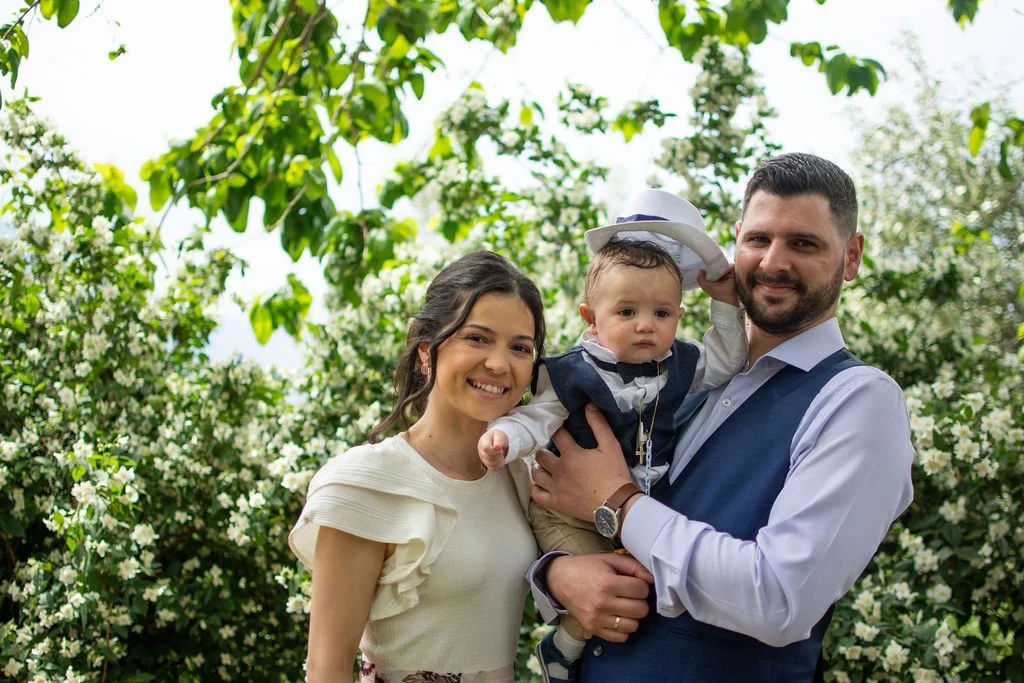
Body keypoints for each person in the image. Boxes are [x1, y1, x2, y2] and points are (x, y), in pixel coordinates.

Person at [529, 153, 916, 682]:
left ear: (851, 257)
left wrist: (618, 503)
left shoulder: (858, 401)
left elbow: (778, 598)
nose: (773, 262)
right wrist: (560, 575)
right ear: (736, 241)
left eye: (803, 243)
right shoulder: (680, 369)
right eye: (758, 240)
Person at [476, 190, 747, 683]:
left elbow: (727, 360)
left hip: (632, 508)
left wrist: (725, 305)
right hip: (562, 509)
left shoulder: (677, 365)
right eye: (627, 313)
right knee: (610, 583)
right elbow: (537, 419)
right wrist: (504, 437)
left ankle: (572, 648)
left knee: (639, 587)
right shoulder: (573, 372)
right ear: (591, 320)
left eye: (662, 314)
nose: (646, 325)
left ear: (678, 317)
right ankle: (565, 646)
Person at [288, 251, 546, 683]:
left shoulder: (521, 475)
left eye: (519, 347)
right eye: (478, 339)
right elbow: (326, 670)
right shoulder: (367, 484)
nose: (500, 364)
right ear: (427, 352)